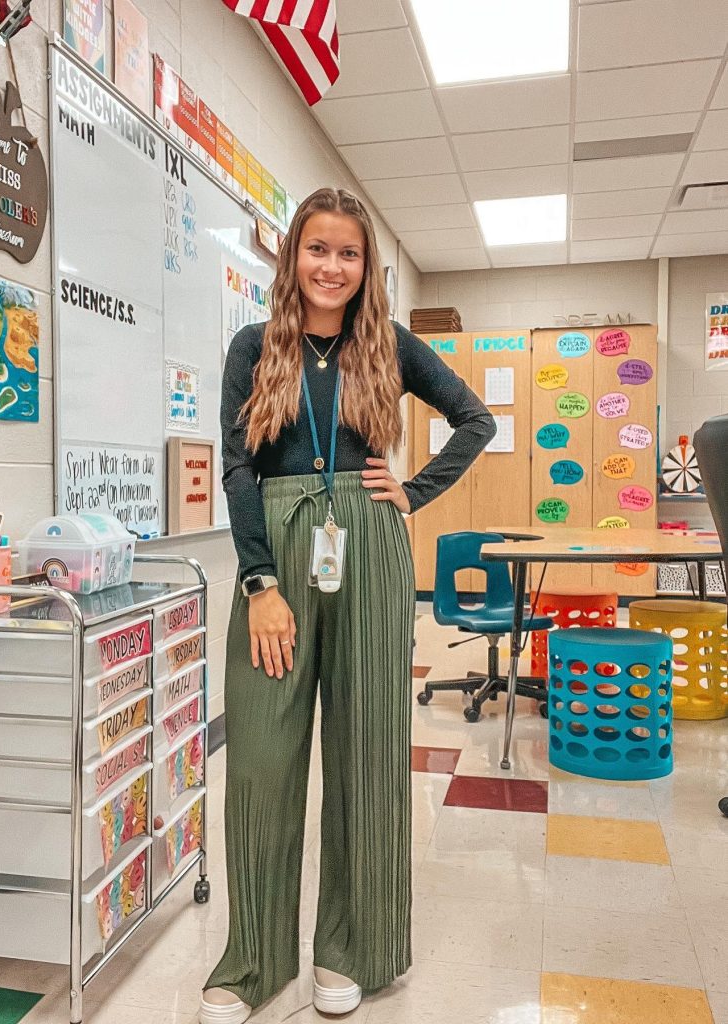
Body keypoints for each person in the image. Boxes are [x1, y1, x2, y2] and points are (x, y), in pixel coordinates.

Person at [200, 187, 496, 1024]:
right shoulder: (254, 346)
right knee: (260, 761)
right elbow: (237, 469)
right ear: (292, 255)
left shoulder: (388, 345)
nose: (331, 266)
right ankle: (254, 959)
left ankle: (351, 947)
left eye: (348, 253)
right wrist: (259, 582)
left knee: (366, 754)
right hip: (278, 554)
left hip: (366, 544)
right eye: (317, 248)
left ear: (367, 268)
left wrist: (413, 491)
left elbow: (474, 420)